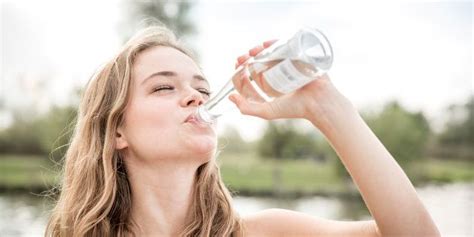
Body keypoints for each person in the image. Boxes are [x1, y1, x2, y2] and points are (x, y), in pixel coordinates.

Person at [45, 25, 440, 237]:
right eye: (164, 87)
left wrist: (326, 107)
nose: (194, 98)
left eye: (202, 89)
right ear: (116, 132)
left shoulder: (266, 233)